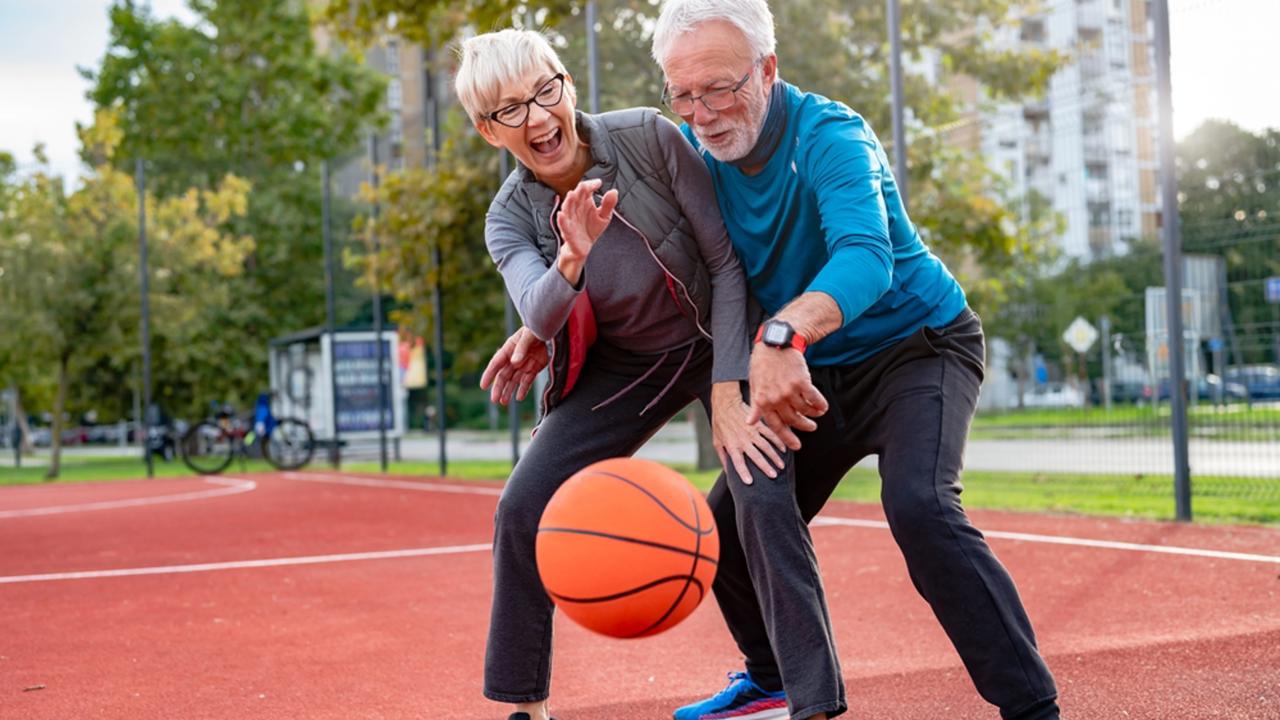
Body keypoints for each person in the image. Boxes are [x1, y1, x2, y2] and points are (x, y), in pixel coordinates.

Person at [485, 1, 1061, 718]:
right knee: (722, 531)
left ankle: (1032, 708)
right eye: (684, 94)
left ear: (768, 69)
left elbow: (865, 258)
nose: (703, 112)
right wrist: (545, 319)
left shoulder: (832, 136)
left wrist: (781, 337)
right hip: (806, 376)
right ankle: (772, 678)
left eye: (721, 88)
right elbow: (656, 265)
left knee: (919, 507)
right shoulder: (690, 155)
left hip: (914, 349)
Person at [455, 29, 784, 720]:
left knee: (757, 489)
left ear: (567, 82)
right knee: (521, 508)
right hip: (626, 366)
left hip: (712, 335)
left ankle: (781, 680)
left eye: (546, 92)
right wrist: (570, 258)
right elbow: (541, 316)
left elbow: (725, 265)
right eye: (512, 110)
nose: (541, 118)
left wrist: (728, 389)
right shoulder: (509, 217)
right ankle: (525, 705)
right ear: (490, 131)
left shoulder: (646, 137)